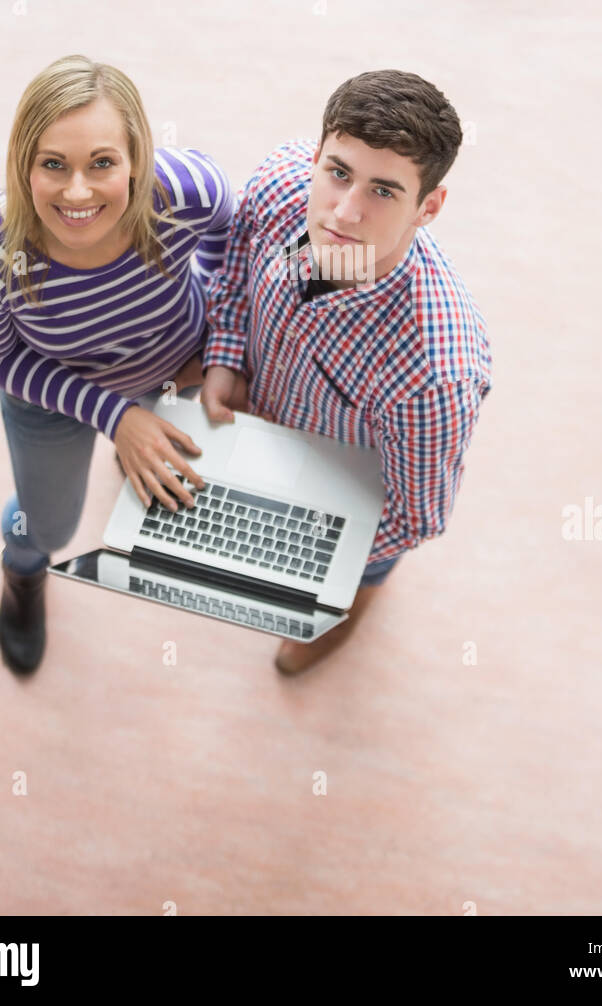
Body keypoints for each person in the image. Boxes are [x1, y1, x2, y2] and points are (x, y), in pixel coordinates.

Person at [0, 55, 234, 676]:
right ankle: (23, 573)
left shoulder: (188, 192)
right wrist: (116, 416)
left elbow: (227, 251)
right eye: (54, 165)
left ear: (138, 158)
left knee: (211, 493)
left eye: (103, 163)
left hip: (173, 363)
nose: (77, 192)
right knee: (46, 526)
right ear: (24, 163)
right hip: (52, 393)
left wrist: (215, 354)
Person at [200, 68, 493, 675]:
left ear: (429, 206)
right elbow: (232, 266)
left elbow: (416, 515)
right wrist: (227, 356)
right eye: (337, 173)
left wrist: (298, 542)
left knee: (367, 571)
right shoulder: (281, 183)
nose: (345, 212)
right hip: (262, 416)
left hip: (344, 486)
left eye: (384, 191)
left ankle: (341, 614)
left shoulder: (435, 373)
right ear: (315, 158)